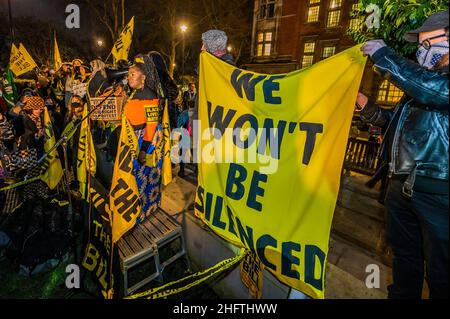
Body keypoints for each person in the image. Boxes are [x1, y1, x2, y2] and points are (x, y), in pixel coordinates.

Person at [356, 10, 449, 299]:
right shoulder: (423, 84)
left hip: (439, 196)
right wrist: (367, 106)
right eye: (419, 45)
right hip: (402, 187)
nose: (422, 51)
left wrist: (386, 57)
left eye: (427, 43)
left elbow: (437, 92)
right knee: (405, 260)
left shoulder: (431, 85)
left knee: (442, 273)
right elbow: (393, 122)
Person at [123, 53, 166, 220]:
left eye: (132, 74)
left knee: (145, 177)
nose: (128, 78)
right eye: (128, 75)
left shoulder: (150, 95)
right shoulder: (132, 93)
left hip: (145, 142)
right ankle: (136, 211)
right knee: (135, 177)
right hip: (133, 138)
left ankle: (145, 212)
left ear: (143, 77)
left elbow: (152, 125)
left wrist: (143, 151)